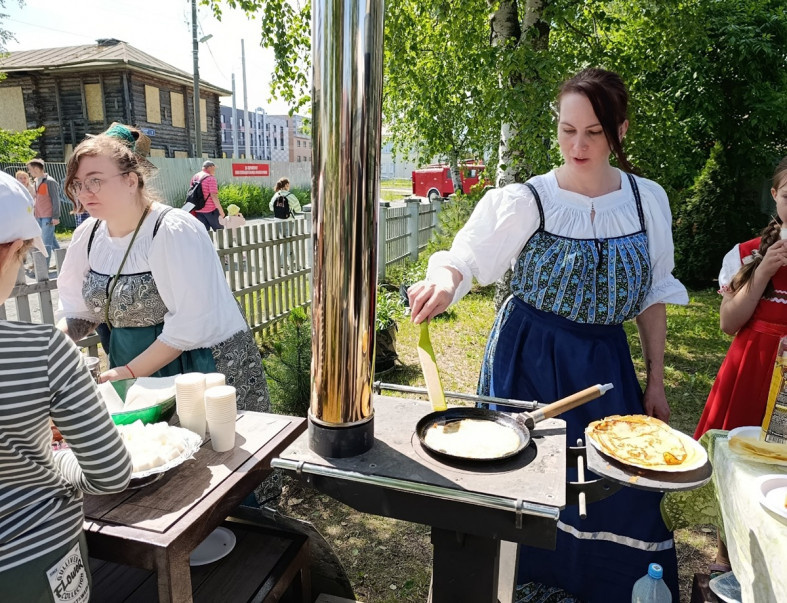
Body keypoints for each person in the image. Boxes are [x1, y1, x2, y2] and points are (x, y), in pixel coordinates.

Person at [408, 68, 688, 603]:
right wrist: (444, 280)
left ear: (620, 131)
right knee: (526, 482)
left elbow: (653, 293)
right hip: (529, 359)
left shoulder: (645, 200)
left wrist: (655, 381)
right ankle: (517, 589)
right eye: (567, 130)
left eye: (593, 132)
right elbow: (469, 257)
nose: (577, 145)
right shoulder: (529, 200)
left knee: (612, 491)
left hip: (605, 366)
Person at [56, 123, 270, 413]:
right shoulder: (89, 236)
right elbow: (81, 311)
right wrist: (50, 346)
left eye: (94, 180)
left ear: (131, 180)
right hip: (132, 366)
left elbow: (190, 323)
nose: (84, 192)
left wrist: (129, 371)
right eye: (78, 184)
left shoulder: (171, 230)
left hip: (199, 366)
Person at [0, 170, 132, 601]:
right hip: (31, 559)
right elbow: (111, 472)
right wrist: (57, 468)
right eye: (21, 258)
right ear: (10, 253)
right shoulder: (40, 349)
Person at [694, 158, 787, 438]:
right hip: (749, 369)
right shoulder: (746, 253)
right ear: (774, 196)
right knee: (738, 451)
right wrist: (761, 275)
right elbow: (728, 323)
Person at [27, 158, 62, 266]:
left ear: (36, 169)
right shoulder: (37, 181)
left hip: (48, 216)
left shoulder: (50, 181)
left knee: (45, 243)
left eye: (30, 169)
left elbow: (56, 200)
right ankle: (63, 261)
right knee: (52, 241)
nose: (29, 172)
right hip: (39, 216)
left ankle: (43, 268)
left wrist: (55, 217)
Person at [270, 178, 302, 273]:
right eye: (288, 185)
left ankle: (293, 260)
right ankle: (281, 262)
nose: (289, 186)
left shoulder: (276, 195)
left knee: (287, 241)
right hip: (288, 221)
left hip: (277, 221)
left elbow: (271, 207)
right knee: (287, 242)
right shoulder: (290, 195)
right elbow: (298, 209)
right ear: (286, 185)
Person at [190, 160, 225, 231]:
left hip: (198, 210)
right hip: (211, 211)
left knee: (204, 233)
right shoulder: (210, 178)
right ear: (210, 167)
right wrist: (221, 211)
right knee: (220, 231)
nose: (214, 170)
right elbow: (214, 196)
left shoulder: (195, 177)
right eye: (214, 168)